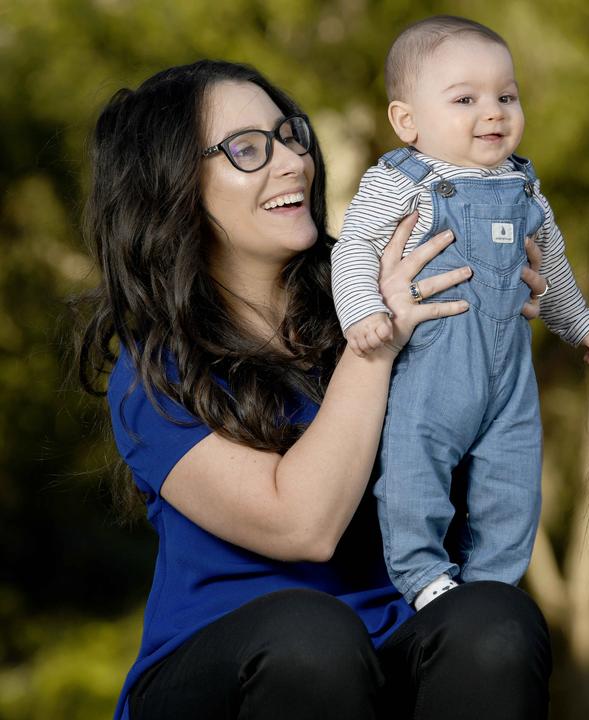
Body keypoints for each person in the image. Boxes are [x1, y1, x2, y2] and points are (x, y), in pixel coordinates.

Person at [73, 59, 550, 720]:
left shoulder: (379, 290)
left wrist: (488, 324)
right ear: (174, 185)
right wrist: (374, 342)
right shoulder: (153, 373)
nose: (294, 160)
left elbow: (463, 498)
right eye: (247, 149)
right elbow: (303, 524)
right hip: (225, 674)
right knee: (311, 637)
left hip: (392, 646)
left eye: (290, 134)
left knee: (493, 618)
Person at [331, 15, 589, 610]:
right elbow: (355, 245)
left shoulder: (524, 186)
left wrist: (577, 322)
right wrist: (361, 311)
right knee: (413, 468)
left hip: (508, 373)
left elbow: (551, 264)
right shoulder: (400, 181)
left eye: (506, 97)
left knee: (513, 480)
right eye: (466, 99)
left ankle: (492, 584)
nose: (494, 112)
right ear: (407, 120)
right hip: (432, 365)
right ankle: (421, 571)